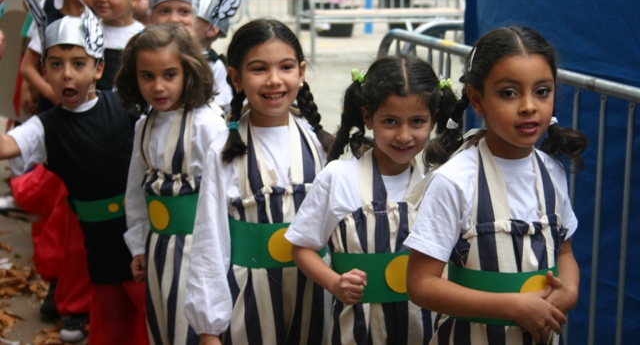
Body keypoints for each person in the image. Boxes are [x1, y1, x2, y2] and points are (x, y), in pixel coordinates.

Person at [404, 26, 587, 344]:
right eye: (509, 93)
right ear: (477, 100)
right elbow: (421, 284)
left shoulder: (552, 173)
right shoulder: (455, 182)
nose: (529, 106)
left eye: (542, 91)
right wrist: (512, 306)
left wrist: (569, 290)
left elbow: (566, 251)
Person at [0, 0, 148, 345]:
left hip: (143, 235)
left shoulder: (126, 106)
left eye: (78, 63)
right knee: (110, 324)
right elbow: (4, 148)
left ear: (98, 68)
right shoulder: (45, 127)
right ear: (43, 70)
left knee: (151, 321)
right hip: (97, 243)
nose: (67, 74)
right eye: (55, 64)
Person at [286, 55, 456, 343]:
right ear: (368, 118)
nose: (403, 135)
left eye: (417, 122)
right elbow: (302, 248)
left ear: (434, 119)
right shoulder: (338, 177)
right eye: (390, 121)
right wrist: (334, 282)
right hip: (355, 332)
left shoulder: (443, 182)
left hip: (426, 332)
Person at [185, 18, 334, 345]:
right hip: (248, 301)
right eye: (259, 69)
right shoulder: (223, 150)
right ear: (235, 78)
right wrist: (209, 329)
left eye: (285, 67)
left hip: (314, 297)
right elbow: (211, 240)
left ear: (302, 71)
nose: (274, 80)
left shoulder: (319, 145)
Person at [116, 23, 227, 345]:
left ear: (188, 71)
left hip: (198, 250)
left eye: (169, 74)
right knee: (162, 322)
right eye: (147, 76)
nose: (158, 86)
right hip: (157, 248)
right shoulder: (144, 126)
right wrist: (138, 244)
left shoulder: (207, 124)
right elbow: (135, 192)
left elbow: (222, 192)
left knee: (190, 327)